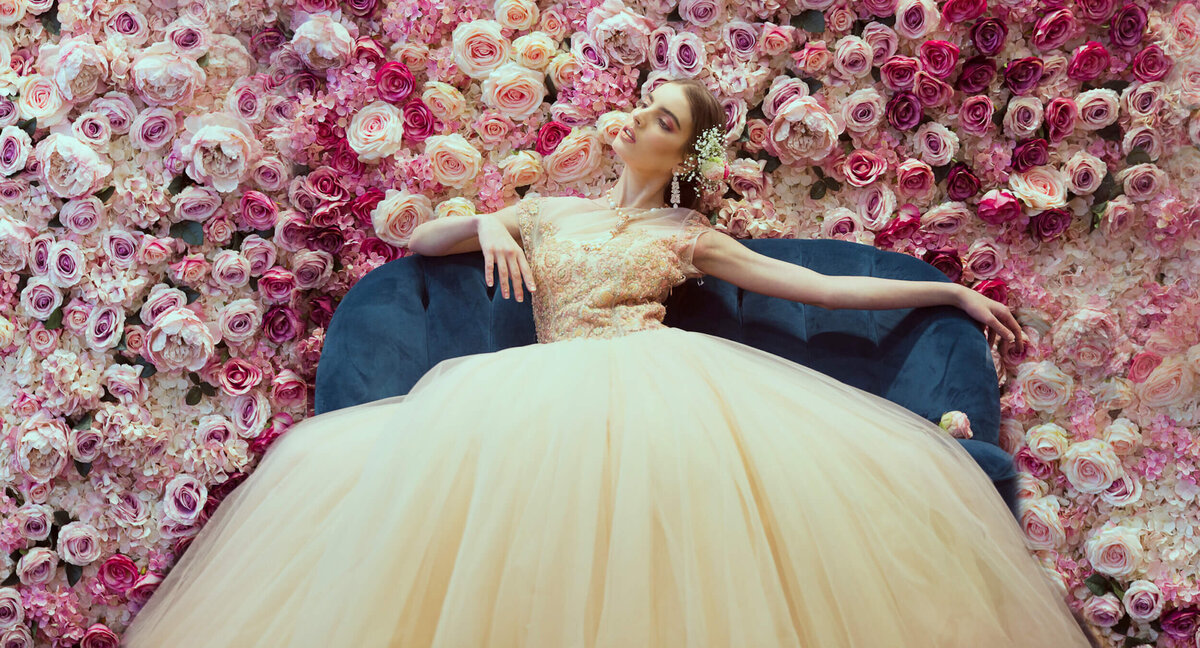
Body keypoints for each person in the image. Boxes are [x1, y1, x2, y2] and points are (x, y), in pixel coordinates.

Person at [121, 78, 1096, 647]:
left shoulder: (686, 230)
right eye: (641, 109)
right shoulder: (548, 206)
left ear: (683, 154)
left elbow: (822, 292)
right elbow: (425, 244)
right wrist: (495, 216)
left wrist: (948, 292)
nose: (637, 123)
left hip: (657, 378)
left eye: (663, 121)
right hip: (538, 386)